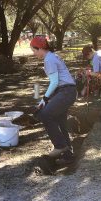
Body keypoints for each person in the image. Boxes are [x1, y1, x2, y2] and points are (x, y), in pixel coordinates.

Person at [30, 36, 76, 164]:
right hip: (66, 91)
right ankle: (68, 155)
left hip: (65, 91)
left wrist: (44, 98)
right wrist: (45, 100)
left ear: (39, 48)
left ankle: (60, 146)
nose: (34, 54)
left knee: (45, 115)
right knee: (60, 121)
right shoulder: (52, 56)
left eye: (34, 51)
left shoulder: (49, 59)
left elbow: (55, 82)